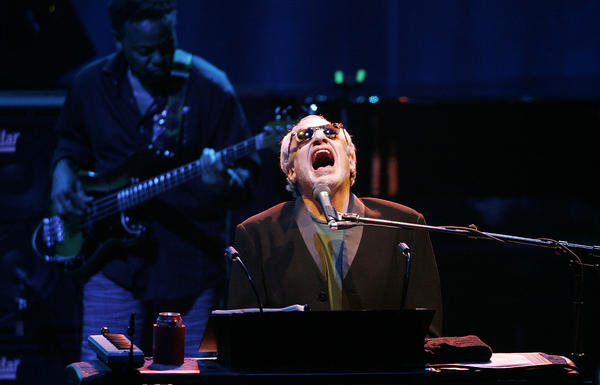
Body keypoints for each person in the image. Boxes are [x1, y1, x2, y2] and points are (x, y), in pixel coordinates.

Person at [50, 0, 259, 360]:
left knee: (190, 379)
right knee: (103, 378)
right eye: (145, 52)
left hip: (189, 269)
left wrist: (220, 183)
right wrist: (61, 171)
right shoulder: (90, 84)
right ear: (118, 39)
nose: (159, 59)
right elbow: (69, 143)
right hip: (111, 264)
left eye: (166, 46)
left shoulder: (210, 87)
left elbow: (246, 174)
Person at [227, 114, 442, 336]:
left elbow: (428, 336)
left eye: (331, 132)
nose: (319, 137)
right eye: (304, 136)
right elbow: (241, 337)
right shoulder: (256, 234)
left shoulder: (405, 226)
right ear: (290, 171)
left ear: (351, 160)